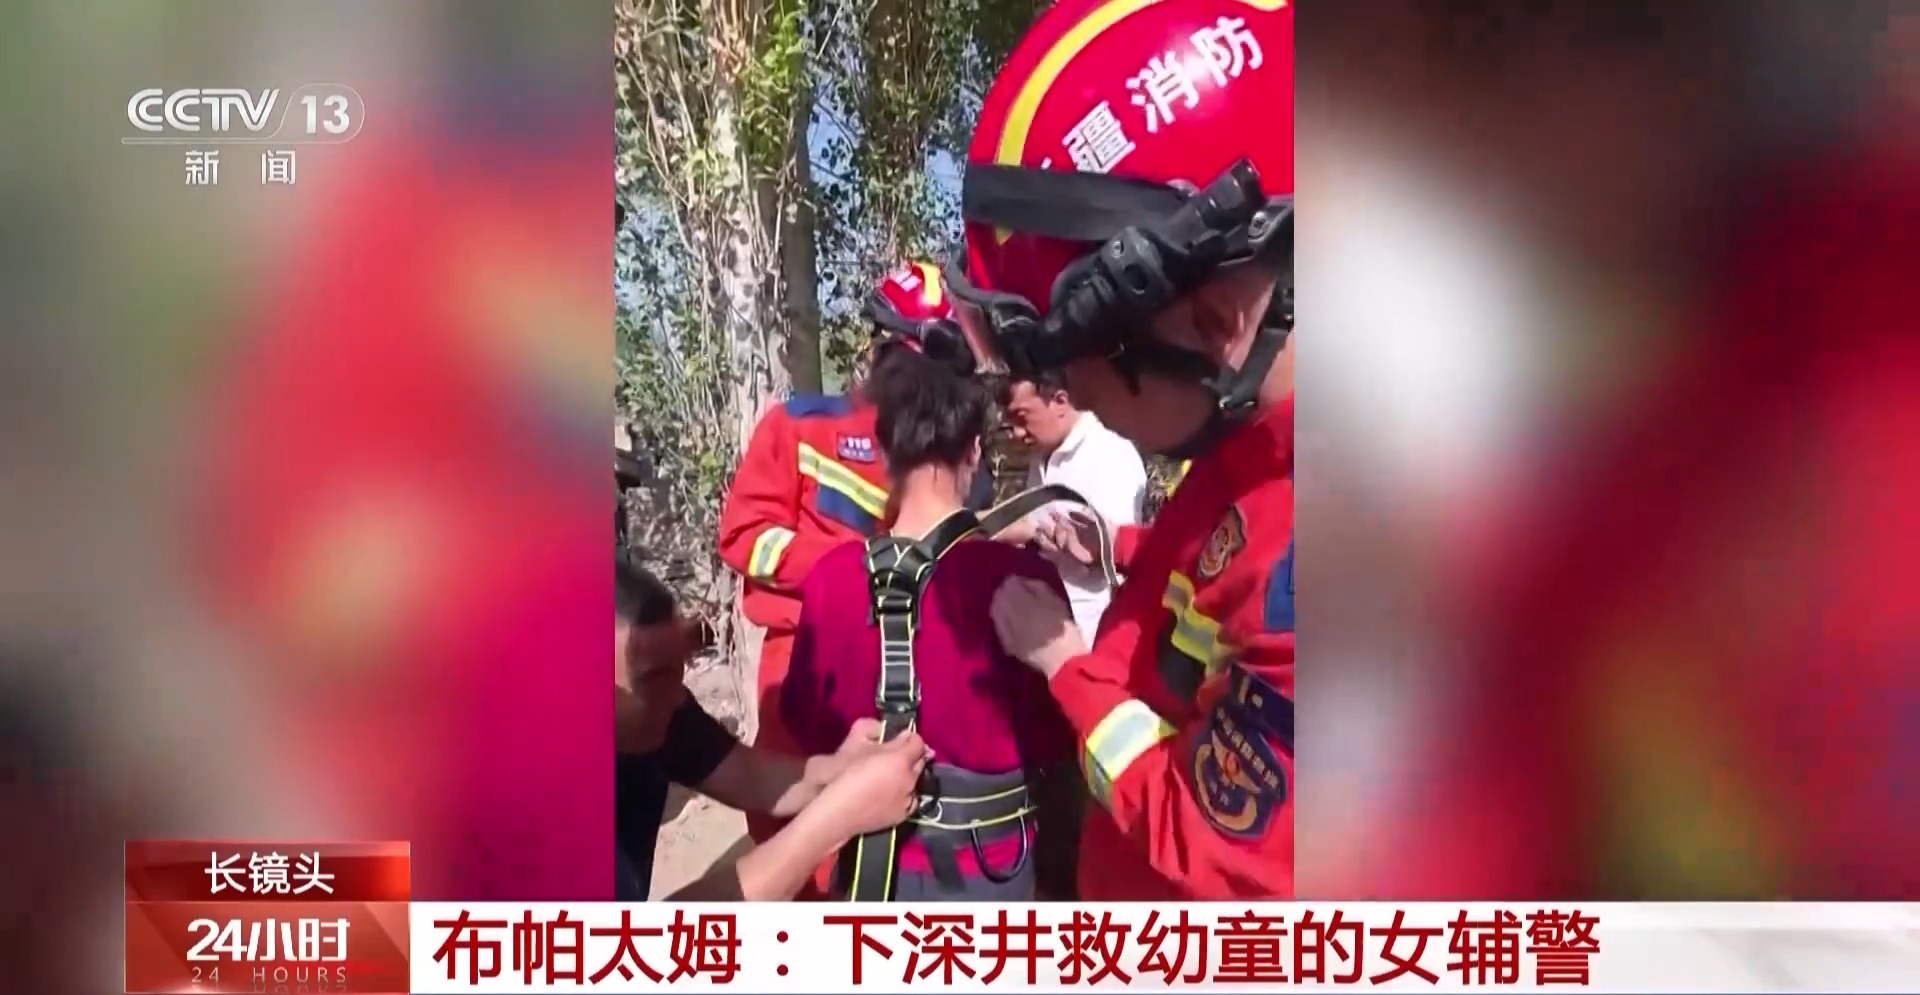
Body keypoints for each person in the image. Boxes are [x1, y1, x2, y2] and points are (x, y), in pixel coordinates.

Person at [941, 0, 1294, 899]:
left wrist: (1065, 665)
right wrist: (1117, 547)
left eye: (1079, 375)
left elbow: (1217, 849)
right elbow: (1214, 559)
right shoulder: (1252, 451)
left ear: (1213, 317)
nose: (1083, 403)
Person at [778, 313, 1077, 900]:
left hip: (869, 869)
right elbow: (1056, 735)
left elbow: (805, 721)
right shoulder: (1020, 578)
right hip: (991, 871)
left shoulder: (832, 579)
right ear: (974, 450)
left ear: (886, 452)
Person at [715, 263, 960, 868]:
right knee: (790, 817)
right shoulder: (801, 427)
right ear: (879, 353)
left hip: (899, 658)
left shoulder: (939, 452)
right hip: (801, 649)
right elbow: (744, 536)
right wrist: (855, 568)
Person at [615, 553, 930, 900]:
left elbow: (751, 777)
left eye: (678, 672)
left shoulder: (661, 708)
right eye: (652, 678)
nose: (677, 699)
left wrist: (842, 767)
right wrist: (834, 820)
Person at [998, 368, 1149, 641]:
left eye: (1022, 418)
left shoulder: (1109, 454)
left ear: (1060, 401)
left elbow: (1118, 554)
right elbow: (1034, 522)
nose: (1017, 433)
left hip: (1092, 631)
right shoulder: (1042, 455)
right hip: (1047, 624)